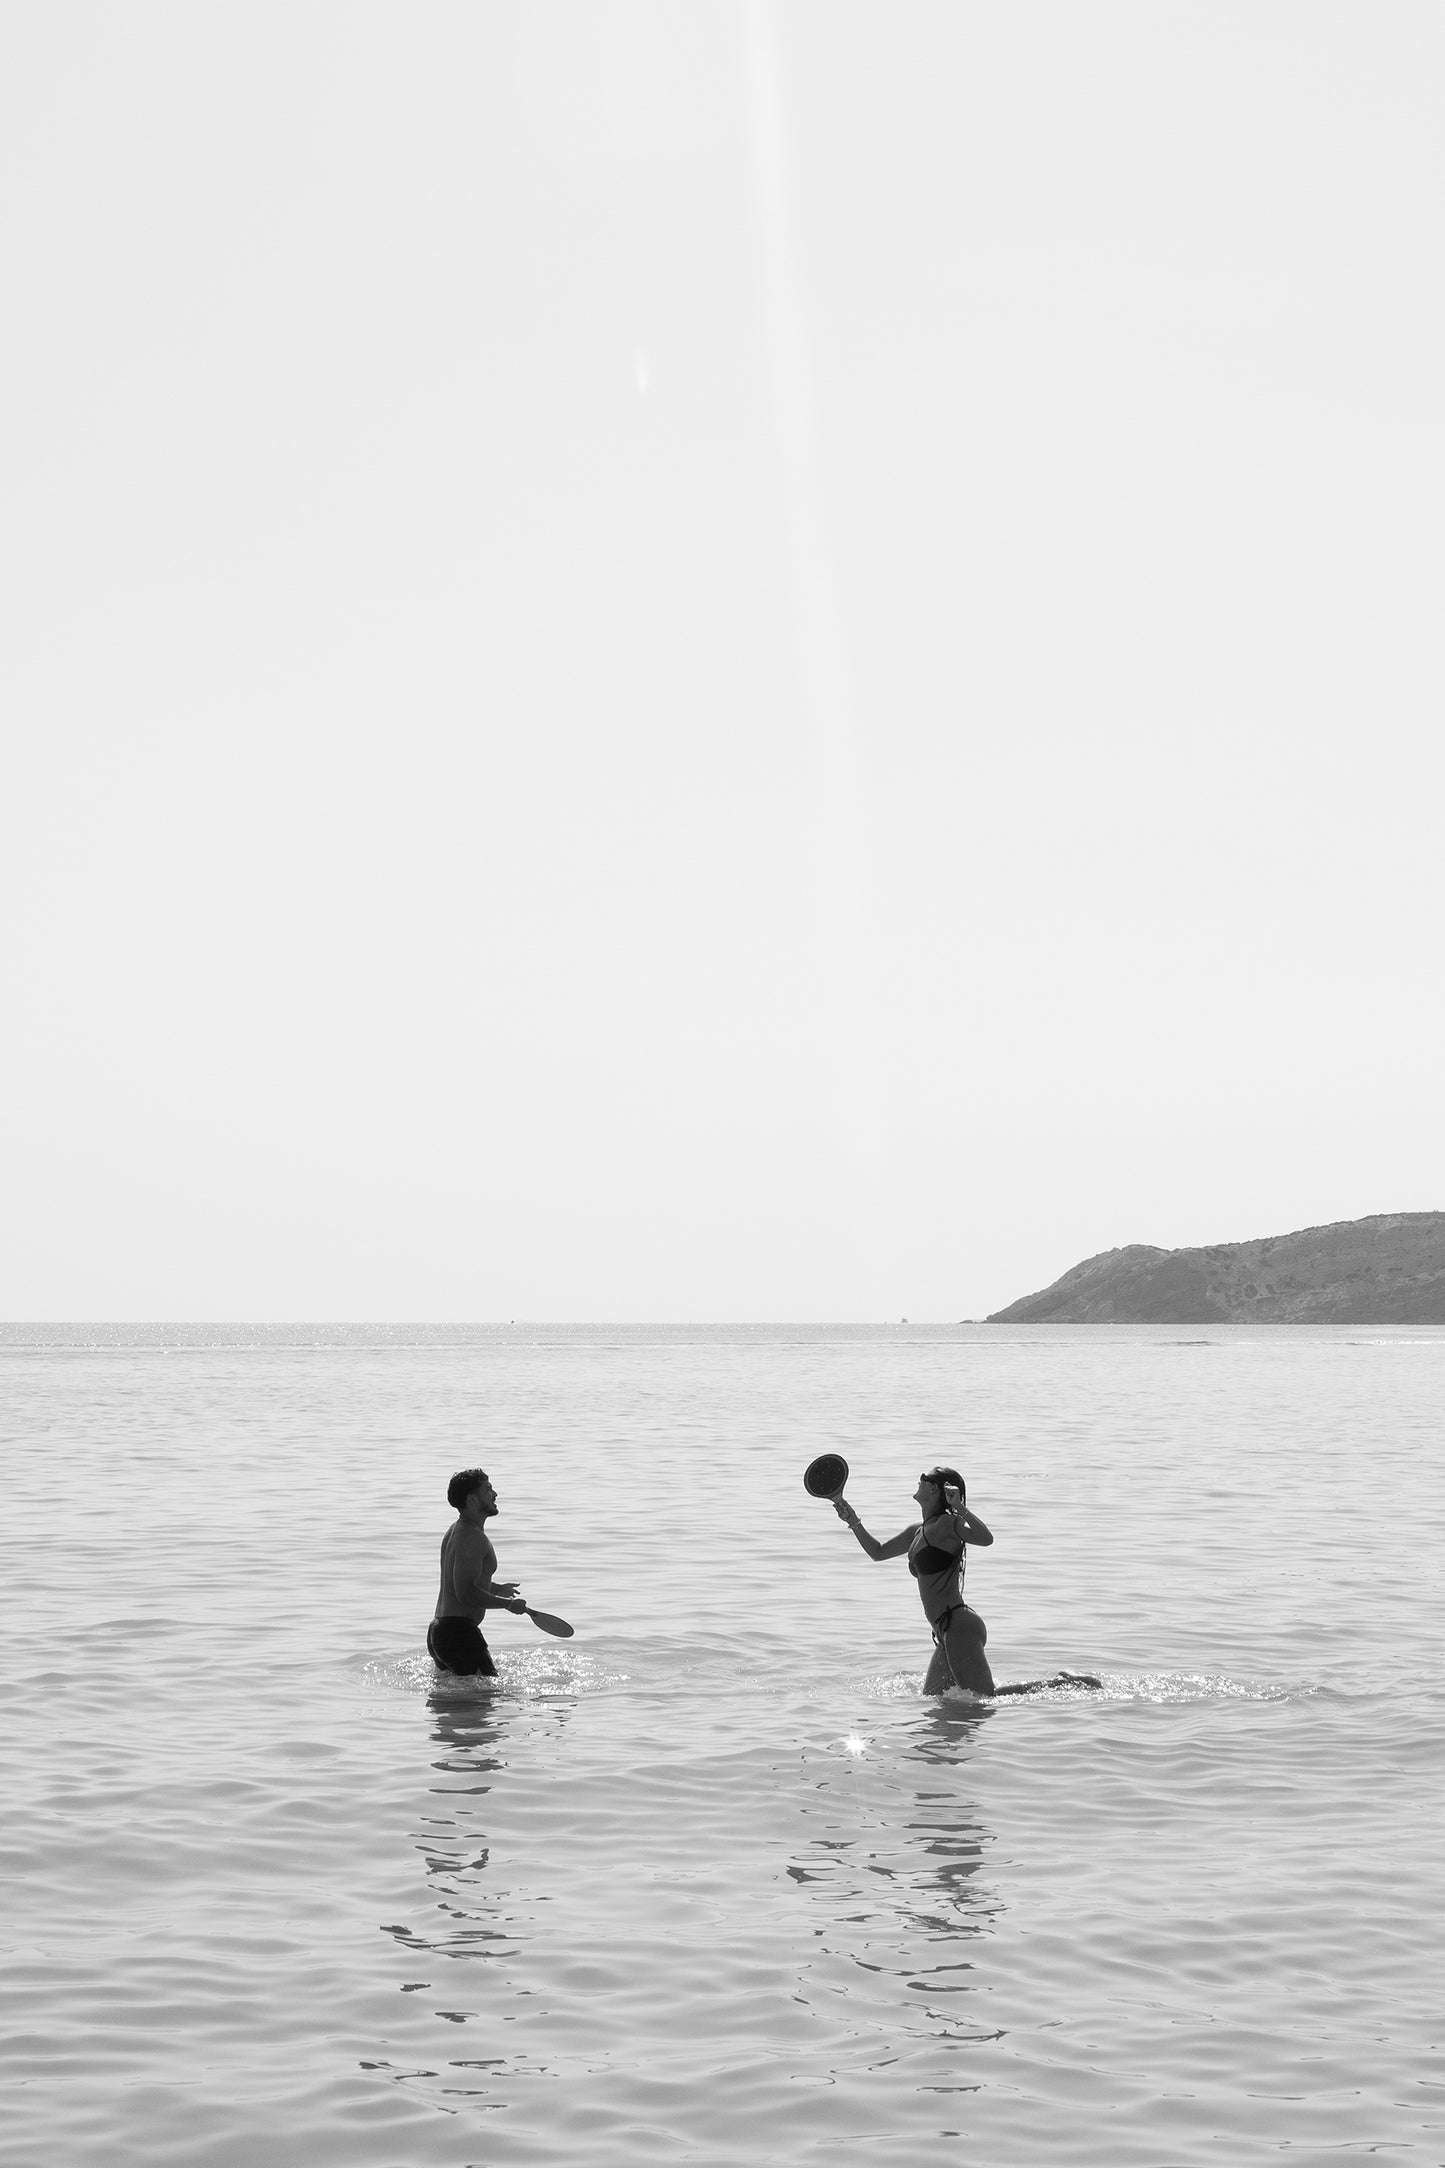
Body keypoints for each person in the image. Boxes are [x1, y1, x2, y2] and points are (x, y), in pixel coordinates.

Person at [834, 1465, 997, 1694]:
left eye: (924, 1477)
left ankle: (1060, 1684)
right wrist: (853, 1522)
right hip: (944, 1630)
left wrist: (960, 1507)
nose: (918, 1480)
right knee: (935, 1701)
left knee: (983, 1699)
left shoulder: (946, 1524)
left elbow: (985, 1539)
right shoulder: (917, 1531)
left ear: (934, 1489)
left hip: (959, 1626)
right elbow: (878, 1552)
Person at [428, 1467, 527, 1677]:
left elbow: (459, 1583)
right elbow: (466, 1594)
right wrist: (508, 1605)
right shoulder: (473, 1538)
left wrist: (496, 1588)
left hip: (439, 1630)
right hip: (459, 1634)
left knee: (456, 1703)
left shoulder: (456, 1531)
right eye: (488, 1489)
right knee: (488, 1697)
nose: (495, 1494)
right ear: (472, 1499)